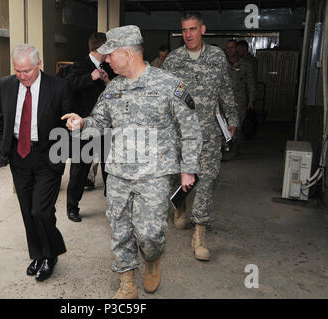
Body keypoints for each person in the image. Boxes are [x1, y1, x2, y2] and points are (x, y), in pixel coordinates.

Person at [62, 25, 202, 299]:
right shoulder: (112, 88)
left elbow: (190, 129)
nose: (107, 60)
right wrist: (81, 123)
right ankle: (126, 283)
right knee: (120, 230)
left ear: (126, 53)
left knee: (150, 235)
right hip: (118, 174)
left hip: (154, 175)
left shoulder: (169, 85)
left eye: (110, 55)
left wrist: (188, 169)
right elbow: (99, 121)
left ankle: (152, 258)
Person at [162, 12, 238, 261]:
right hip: (179, 135)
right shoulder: (173, 60)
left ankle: (200, 235)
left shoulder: (216, 56)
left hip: (208, 133)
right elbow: (163, 96)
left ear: (202, 29)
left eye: (193, 29)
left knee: (206, 181)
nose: (188, 34)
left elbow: (226, 88)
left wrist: (232, 119)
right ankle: (179, 207)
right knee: (177, 177)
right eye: (184, 30)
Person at [0, 44, 73, 282]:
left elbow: (69, 120)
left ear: (39, 65)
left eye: (27, 70)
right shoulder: (5, 85)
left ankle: (51, 254)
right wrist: (5, 147)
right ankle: (37, 254)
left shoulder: (58, 86)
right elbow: (0, 118)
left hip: (48, 155)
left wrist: (62, 153)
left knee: (41, 210)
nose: (23, 75)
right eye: (18, 71)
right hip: (19, 154)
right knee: (28, 211)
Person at [64, 32, 114, 222]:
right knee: (79, 170)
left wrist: (108, 81)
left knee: (109, 168)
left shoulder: (109, 66)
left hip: (106, 126)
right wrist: (90, 78)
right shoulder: (79, 66)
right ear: (101, 49)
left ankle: (112, 204)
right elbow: (67, 85)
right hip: (85, 126)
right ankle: (72, 207)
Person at [225, 39, 256, 155]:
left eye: (232, 47)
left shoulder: (246, 65)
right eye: (227, 48)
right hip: (223, 100)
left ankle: (235, 146)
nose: (229, 50)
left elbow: (251, 83)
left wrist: (251, 100)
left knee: (237, 125)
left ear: (237, 49)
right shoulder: (221, 63)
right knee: (223, 124)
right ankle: (224, 147)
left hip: (240, 100)